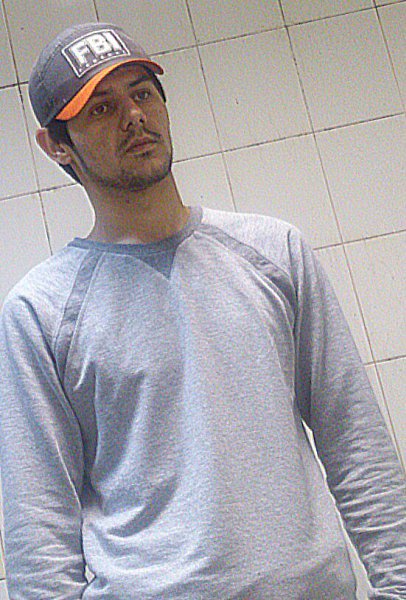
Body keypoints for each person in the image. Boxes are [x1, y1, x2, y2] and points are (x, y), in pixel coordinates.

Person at [0, 21, 405, 600]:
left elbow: (355, 443)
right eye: (101, 108)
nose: (134, 116)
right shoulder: (39, 312)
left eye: (142, 93)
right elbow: (39, 531)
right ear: (56, 145)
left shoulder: (275, 251)